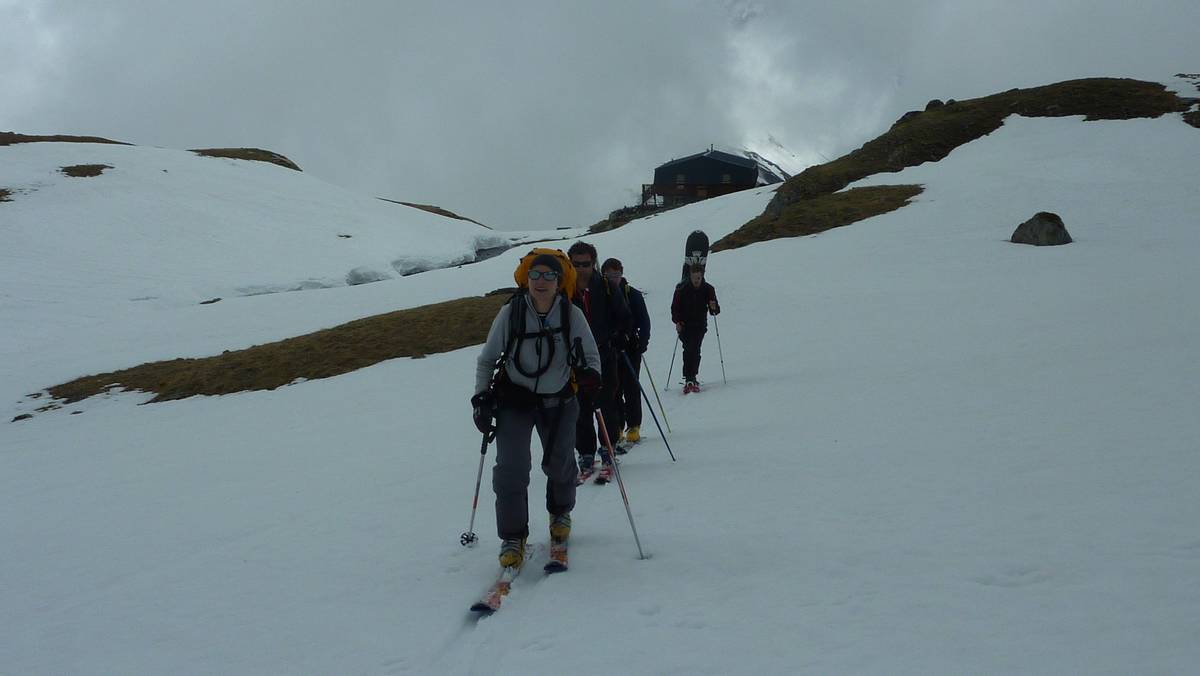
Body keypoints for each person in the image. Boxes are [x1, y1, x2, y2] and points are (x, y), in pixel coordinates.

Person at [472, 250, 602, 569]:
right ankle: (513, 536)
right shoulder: (512, 312)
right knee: (511, 470)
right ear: (526, 279)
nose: (541, 281)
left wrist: (591, 377)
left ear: (559, 282)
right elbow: (487, 359)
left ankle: (560, 514)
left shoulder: (571, 315)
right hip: (514, 401)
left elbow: (592, 357)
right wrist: (480, 399)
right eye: (535, 275)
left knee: (560, 465)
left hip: (559, 400)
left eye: (548, 276)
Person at [567, 241, 631, 483]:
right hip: (574, 362)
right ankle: (585, 454)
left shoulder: (604, 286)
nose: (581, 268)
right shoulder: (564, 289)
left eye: (586, 263)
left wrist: (618, 337)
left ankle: (608, 451)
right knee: (578, 409)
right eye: (576, 264)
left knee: (606, 405)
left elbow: (624, 316)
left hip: (604, 356)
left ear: (594, 263)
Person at [601, 257, 651, 446]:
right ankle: (617, 426)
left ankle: (634, 425)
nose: (613, 278)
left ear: (621, 275)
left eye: (616, 275)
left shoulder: (633, 294)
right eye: (609, 275)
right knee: (613, 389)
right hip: (610, 349)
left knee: (631, 386)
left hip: (631, 347)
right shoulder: (600, 295)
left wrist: (643, 342)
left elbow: (644, 321)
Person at [670, 263, 720, 393]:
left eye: (699, 278)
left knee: (695, 349)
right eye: (694, 278)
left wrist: (713, 307)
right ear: (690, 276)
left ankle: (691, 377)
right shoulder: (681, 289)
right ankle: (689, 378)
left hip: (700, 325)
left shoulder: (708, 289)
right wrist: (677, 321)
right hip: (685, 325)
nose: (696, 281)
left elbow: (714, 310)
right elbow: (675, 308)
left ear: (702, 276)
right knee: (689, 348)